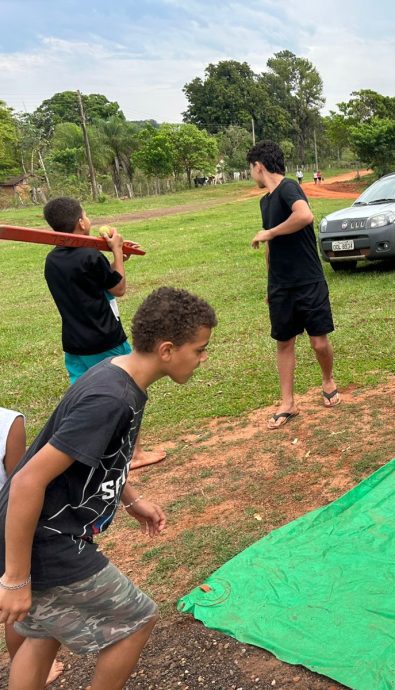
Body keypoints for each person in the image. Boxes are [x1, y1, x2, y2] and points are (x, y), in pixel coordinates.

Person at [0, 287, 216, 690]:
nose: (203, 359)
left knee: (45, 632)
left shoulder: (120, 374)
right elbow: (28, 479)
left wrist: (131, 500)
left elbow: (102, 458)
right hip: (46, 539)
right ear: (167, 350)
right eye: (199, 350)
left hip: (45, 532)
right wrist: (15, 578)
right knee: (137, 619)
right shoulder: (110, 399)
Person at [42, 197, 166, 468]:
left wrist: (119, 259)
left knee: (85, 398)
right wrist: (117, 252)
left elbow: (96, 280)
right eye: (86, 215)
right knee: (130, 390)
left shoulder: (52, 260)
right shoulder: (89, 254)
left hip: (74, 345)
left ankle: (85, 453)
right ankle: (135, 454)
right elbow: (118, 288)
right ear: (81, 222)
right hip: (105, 339)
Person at [247, 140, 340, 429]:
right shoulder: (265, 201)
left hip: (308, 279)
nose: (251, 174)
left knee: (318, 342)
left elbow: (304, 216)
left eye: (250, 168)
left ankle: (328, 380)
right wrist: (270, 283)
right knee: (284, 342)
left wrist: (270, 232)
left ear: (258, 166)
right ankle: (288, 403)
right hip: (281, 285)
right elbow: (270, 247)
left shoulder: (288, 187)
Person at [0, 408, 64, 686]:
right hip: (6, 530)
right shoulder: (8, 422)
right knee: (19, 610)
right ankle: (27, 668)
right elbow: (20, 483)